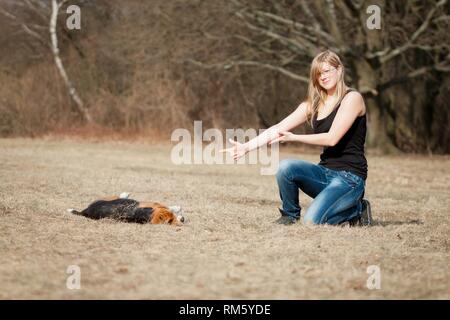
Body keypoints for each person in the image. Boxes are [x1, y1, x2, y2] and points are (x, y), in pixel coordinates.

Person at [220, 50, 372, 226]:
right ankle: (289, 215)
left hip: (349, 179)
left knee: (312, 222)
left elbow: (332, 139)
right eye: (318, 74)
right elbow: (278, 128)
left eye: (327, 71)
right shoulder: (313, 104)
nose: (323, 77)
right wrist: (246, 147)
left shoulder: (352, 98)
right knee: (286, 167)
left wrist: (294, 137)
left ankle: (358, 209)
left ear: (339, 70)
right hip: (324, 173)